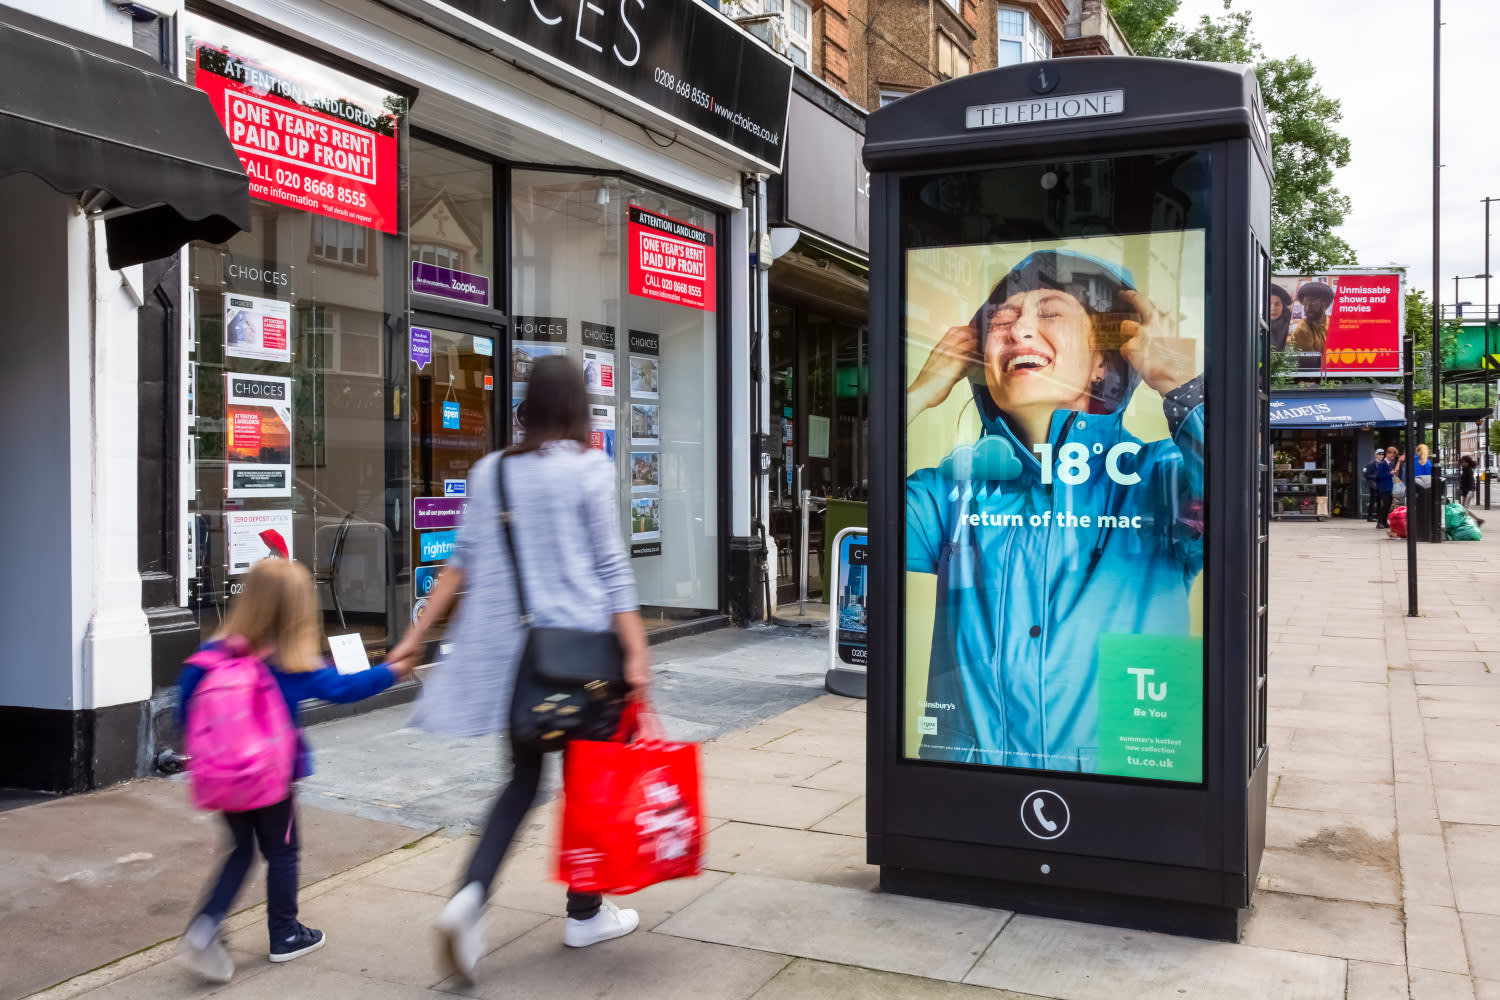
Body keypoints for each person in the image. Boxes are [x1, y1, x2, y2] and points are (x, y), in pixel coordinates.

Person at [394, 355, 652, 984]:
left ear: (526, 407)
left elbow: (459, 566)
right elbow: (613, 571)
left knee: (520, 786)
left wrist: (413, 638)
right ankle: (584, 914)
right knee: (588, 788)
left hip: (524, 670)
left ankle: (469, 900)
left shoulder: (492, 474)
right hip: (588, 663)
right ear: (577, 409)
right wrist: (638, 656)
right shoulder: (589, 471)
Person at [905, 249, 1202, 771]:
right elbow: (861, 519)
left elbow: (1243, 499)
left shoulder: (1161, 477)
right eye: (1000, 321)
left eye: (1049, 313)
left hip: (1123, 794)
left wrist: (1180, 382)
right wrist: (920, 391)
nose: (1018, 330)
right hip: (969, 797)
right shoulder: (954, 487)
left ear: (1103, 363)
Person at [177, 558, 414, 983]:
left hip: (223, 778)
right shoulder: (291, 662)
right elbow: (345, 689)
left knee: (241, 850)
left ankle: (206, 925)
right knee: (282, 852)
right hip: (272, 779)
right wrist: (393, 670)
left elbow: (184, 710)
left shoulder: (211, 656)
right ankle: (285, 933)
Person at [1289, 281, 1334, 355]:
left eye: (1311, 304)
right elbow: (1310, 363)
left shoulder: (1333, 323)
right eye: (1305, 304)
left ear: (1325, 305)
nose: (1307, 309)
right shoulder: (1301, 330)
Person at [1373, 448, 1394, 529]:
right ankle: (1380, 522)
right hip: (1384, 488)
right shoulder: (1382, 464)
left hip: (1388, 488)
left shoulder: (1389, 464)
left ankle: (1384, 522)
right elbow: (1378, 476)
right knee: (1385, 505)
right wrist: (1389, 474)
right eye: (1392, 455)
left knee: (1387, 505)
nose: (1393, 458)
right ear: (1388, 454)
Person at [1268, 284, 1293, 351]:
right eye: (1268, 304)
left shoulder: (1291, 324)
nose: (1273, 308)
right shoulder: (1253, 325)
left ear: (1283, 307)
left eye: (1277, 304)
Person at [1363, 450, 1384, 521]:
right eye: (1379, 454)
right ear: (1376, 455)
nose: (1381, 455)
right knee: (1373, 500)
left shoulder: (1382, 464)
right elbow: (1366, 475)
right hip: (1373, 485)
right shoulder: (1371, 464)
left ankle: (1379, 516)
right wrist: (1376, 477)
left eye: (1382, 454)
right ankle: (1369, 517)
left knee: (1379, 501)